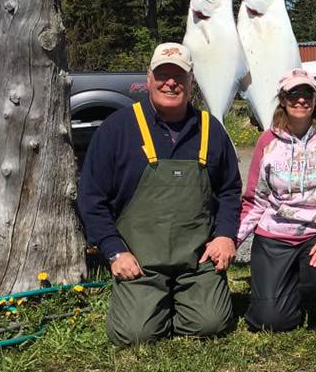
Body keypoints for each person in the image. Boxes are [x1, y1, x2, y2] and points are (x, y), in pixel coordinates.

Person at [78, 43, 241, 345]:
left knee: (211, 323)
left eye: (179, 76)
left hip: (196, 261)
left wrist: (225, 235)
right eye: (163, 74)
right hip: (141, 261)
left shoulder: (211, 129)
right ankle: (154, 302)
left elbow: (230, 190)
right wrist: (114, 250)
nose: (171, 83)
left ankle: (186, 299)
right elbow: (91, 197)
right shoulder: (117, 128)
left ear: (191, 81)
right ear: (149, 78)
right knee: (134, 334)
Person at [237, 68, 316, 331]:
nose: (301, 99)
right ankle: (288, 283)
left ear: (315, 99)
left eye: (307, 93)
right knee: (271, 321)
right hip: (275, 237)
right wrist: (231, 240)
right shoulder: (266, 141)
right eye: (293, 94)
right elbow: (255, 199)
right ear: (282, 99)